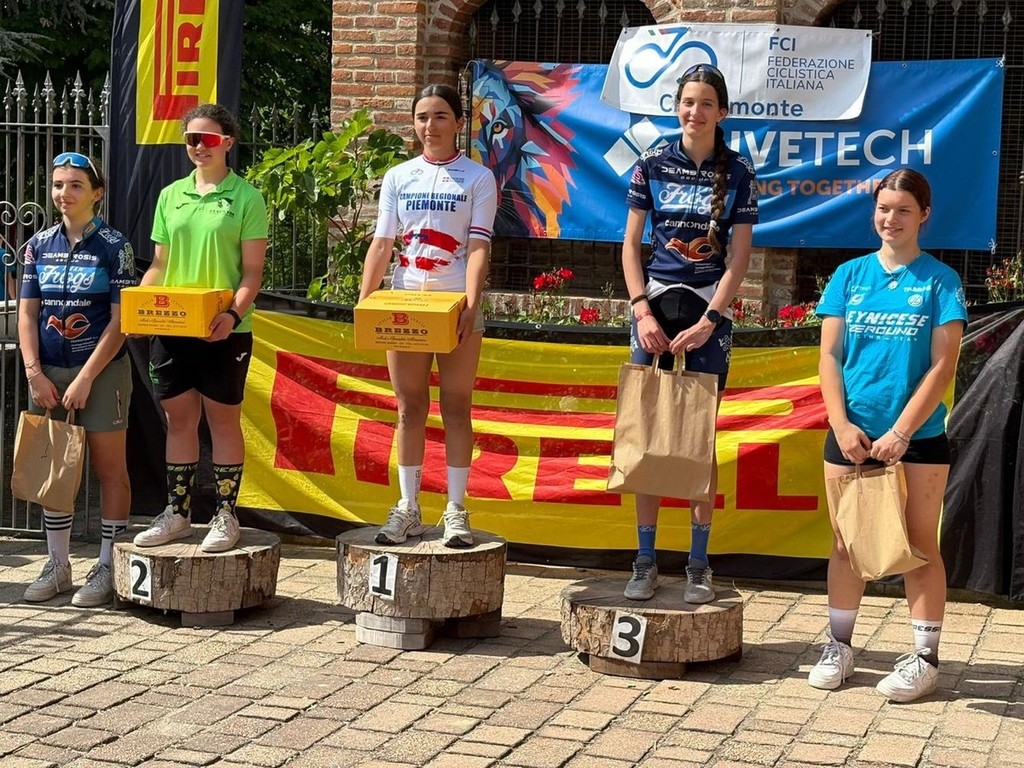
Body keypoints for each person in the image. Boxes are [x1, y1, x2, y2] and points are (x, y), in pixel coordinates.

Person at [809, 168, 967, 702]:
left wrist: (902, 431)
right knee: (846, 543)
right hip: (850, 436)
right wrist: (840, 423)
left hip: (917, 438)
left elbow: (943, 366)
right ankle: (839, 646)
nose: (890, 219)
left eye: (903, 210)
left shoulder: (941, 281)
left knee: (920, 545)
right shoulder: (848, 275)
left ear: (924, 215)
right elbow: (829, 356)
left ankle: (925, 658)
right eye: (883, 208)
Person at [620, 63, 758, 603]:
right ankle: (645, 560)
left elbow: (740, 257)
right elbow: (630, 245)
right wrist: (642, 313)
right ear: (676, 107)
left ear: (721, 112)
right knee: (648, 435)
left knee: (698, 440)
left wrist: (710, 321)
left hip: (706, 312)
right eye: (686, 102)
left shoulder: (740, 170)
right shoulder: (651, 162)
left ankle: (698, 565)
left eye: (705, 103)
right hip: (654, 307)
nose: (694, 111)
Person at [359, 84, 498, 548]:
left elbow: (478, 245)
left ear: (458, 123)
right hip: (405, 303)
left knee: (456, 406)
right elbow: (383, 242)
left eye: (440, 116)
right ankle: (408, 507)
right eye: (422, 116)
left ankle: (456, 510)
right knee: (409, 407)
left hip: (455, 303)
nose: (430, 125)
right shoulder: (399, 176)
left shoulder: (478, 178)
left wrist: (471, 304)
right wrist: (366, 300)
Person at [132, 104, 268, 554]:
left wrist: (232, 316)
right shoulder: (171, 195)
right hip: (173, 326)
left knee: (223, 421)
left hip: (225, 329)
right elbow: (159, 265)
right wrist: (141, 308)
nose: (198, 147)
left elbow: (252, 273)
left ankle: (226, 515)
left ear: (228, 141)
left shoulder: (247, 197)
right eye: (191, 139)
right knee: (179, 420)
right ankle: (178, 513)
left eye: (207, 139)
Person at [18, 151, 137, 607]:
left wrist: (87, 377)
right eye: (57, 185)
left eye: (75, 186)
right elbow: (27, 314)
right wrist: (34, 373)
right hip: (48, 372)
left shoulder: (114, 246)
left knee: (110, 470)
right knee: (55, 468)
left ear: (97, 193)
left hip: (101, 371)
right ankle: (57, 565)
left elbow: (121, 320)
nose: (63, 193)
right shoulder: (37, 245)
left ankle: (108, 565)